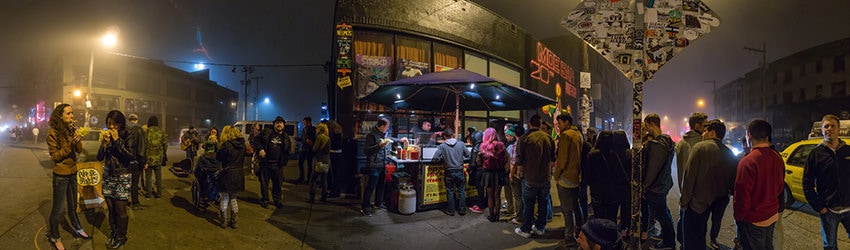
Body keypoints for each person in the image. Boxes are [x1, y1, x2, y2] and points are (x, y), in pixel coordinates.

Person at [680, 119, 738, 250]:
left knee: (693, 238)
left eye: (705, 131)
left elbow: (689, 177)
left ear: (712, 133)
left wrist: (684, 202)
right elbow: (733, 183)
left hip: (697, 203)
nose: (702, 134)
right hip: (719, 200)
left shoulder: (700, 148)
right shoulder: (730, 154)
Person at [45, 103, 91, 250]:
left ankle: (77, 227)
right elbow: (55, 156)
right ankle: (54, 236)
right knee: (58, 210)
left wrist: (75, 135)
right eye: (68, 113)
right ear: (60, 116)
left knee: (73, 206)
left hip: (73, 172)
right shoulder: (53, 133)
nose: (72, 116)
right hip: (61, 175)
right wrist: (70, 142)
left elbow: (78, 150)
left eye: (72, 113)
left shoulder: (70, 130)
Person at [734, 119, 784, 250]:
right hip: (772, 215)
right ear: (767, 136)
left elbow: (741, 197)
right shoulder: (777, 157)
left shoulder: (747, 162)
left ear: (749, 135)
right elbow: (779, 187)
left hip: (754, 220)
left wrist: (739, 219)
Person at [803, 114, 850, 250]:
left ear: (839, 129)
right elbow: (807, 183)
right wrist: (819, 207)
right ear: (822, 131)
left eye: (832, 126)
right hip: (829, 210)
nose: (829, 129)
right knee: (830, 245)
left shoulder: (847, 151)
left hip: (849, 207)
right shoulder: (815, 154)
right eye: (826, 126)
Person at [639, 114, 677, 249]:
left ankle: (669, 242)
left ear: (652, 124)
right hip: (663, 185)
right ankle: (667, 238)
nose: (647, 129)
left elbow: (652, 171)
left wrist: (644, 188)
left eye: (647, 126)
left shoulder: (657, 145)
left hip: (655, 188)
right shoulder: (668, 141)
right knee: (664, 214)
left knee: (662, 216)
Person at [514, 114, 556, 238]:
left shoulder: (524, 138)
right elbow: (553, 158)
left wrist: (519, 173)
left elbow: (519, 159)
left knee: (529, 204)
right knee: (543, 203)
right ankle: (540, 227)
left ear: (530, 124)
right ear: (540, 124)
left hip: (530, 177)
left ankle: (526, 229)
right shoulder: (548, 138)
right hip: (545, 177)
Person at [98, 110, 134, 249]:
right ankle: (113, 233)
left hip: (122, 176)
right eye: (109, 124)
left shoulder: (128, 135)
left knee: (120, 209)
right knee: (111, 208)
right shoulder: (107, 137)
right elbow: (99, 157)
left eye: (115, 125)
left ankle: (121, 236)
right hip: (108, 175)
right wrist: (104, 144)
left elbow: (130, 156)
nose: (112, 127)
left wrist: (117, 140)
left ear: (121, 124)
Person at [585, 131, 631, 236]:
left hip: (597, 193)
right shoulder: (615, 154)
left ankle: (599, 239)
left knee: (599, 218)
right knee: (611, 219)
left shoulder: (593, 154)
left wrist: (593, 185)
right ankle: (611, 239)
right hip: (613, 193)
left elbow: (587, 175)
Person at [674, 112, 707, 245]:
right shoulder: (701, 143)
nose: (706, 129)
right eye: (704, 125)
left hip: (685, 191)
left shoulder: (682, 142)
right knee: (697, 231)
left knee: (684, 224)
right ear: (697, 125)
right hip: (697, 195)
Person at [554, 114, 585, 246]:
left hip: (566, 176)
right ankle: (579, 231)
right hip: (576, 176)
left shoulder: (566, 136)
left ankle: (569, 236)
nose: (558, 126)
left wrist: (556, 176)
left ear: (567, 122)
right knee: (575, 206)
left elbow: (562, 159)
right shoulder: (578, 134)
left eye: (559, 123)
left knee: (567, 209)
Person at [432, 128, 470, 216]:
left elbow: (435, 158)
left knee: (450, 191)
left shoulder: (442, 146)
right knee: (461, 190)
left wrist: (443, 159)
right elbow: (468, 155)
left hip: (448, 172)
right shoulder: (461, 144)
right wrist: (460, 159)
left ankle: (451, 210)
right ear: (453, 134)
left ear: (445, 136)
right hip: (460, 171)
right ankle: (462, 210)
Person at [256, 116, 291, 209]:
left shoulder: (286, 137)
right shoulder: (267, 133)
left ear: (283, 125)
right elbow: (256, 140)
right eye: (277, 123)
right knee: (264, 184)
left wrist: (284, 161)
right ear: (274, 124)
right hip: (266, 164)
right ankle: (265, 200)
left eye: (281, 123)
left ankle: (277, 200)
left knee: (278, 184)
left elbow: (288, 151)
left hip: (278, 165)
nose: (279, 124)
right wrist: (260, 149)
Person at [361, 118, 392, 217]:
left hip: (382, 164)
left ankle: (378, 204)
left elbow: (392, 139)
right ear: (382, 126)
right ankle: (365, 207)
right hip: (374, 165)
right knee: (371, 187)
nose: (388, 129)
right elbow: (366, 150)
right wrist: (379, 145)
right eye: (387, 127)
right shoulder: (371, 135)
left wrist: (401, 139)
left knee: (381, 185)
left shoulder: (384, 134)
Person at [216, 126, 246, 229]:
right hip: (239, 173)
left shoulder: (227, 145)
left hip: (227, 173)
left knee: (224, 197)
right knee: (233, 198)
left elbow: (218, 157)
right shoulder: (242, 145)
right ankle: (234, 222)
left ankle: (224, 221)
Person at [479, 127, 508, 222]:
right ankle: (497, 215)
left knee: (490, 195)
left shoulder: (483, 146)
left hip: (488, 173)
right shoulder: (501, 145)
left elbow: (479, 162)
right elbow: (506, 158)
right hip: (499, 172)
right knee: (497, 195)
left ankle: (491, 216)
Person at [126, 113, 147, 210]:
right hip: (135, 162)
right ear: (136, 120)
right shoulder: (139, 129)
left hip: (125, 161)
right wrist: (143, 162)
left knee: (125, 182)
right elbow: (141, 148)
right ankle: (135, 203)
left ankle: (124, 201)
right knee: (134, 184)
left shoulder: (123, 128)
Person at [144, 116, 168, 199]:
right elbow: (165, 145)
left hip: (148, 159)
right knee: (158, 177)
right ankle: (159, 194)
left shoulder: (146, 132)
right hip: (158, 158)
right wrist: (162, 153)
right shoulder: (161, 132)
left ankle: (148, 195)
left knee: (148, 177)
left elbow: (144, 145)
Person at [506, 124, 526, 225]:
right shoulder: (527, 143)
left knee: (518, 196)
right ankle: (526, 215)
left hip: (518, 175)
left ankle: (520, 217)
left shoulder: (515, 145)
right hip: (527, 175)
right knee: (525, 196)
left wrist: (511, 175)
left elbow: (513, 163)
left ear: (514, 134)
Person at [310, 123, 331, 203]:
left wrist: (311, 144)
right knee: (324, 180)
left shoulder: (319, 137)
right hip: (326, 161)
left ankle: (312, 198)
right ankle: (324, 197)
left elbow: (315, 148)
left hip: (319, 160)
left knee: (313, 180)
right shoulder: (328, 138)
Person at [327, 120, 345, 198]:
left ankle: (334, 192)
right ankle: (336, 191)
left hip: (333, 154)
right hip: (339, 154)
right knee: (337, 174)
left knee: (333, 174)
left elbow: (333, 145)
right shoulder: (339, 133)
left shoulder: (332, 135)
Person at [297, 116, 317, 184]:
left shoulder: (313, 129)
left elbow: (313, 139)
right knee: (300, 163)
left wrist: (310, 141)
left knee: (309, 165)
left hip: (309, 149)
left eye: (305, 122)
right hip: (303, 148)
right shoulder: (304, 129)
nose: (304, 123)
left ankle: (309, 179)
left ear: (308, 122)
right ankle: (302, 177)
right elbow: (304, 139)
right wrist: (299, 139)